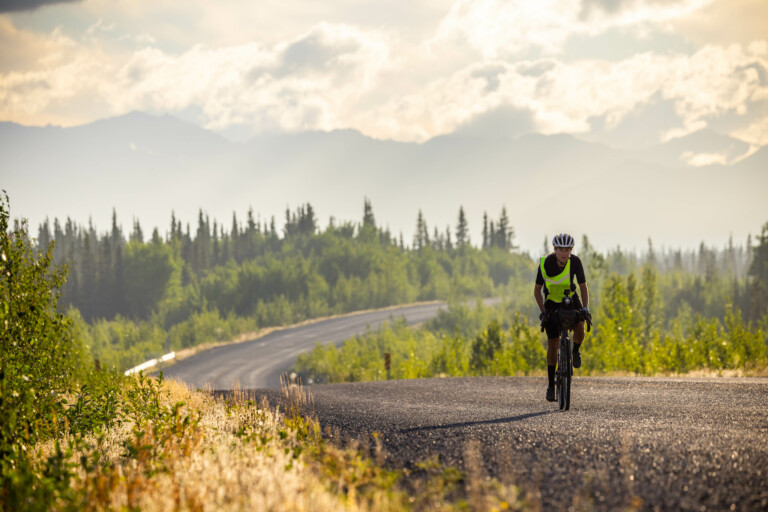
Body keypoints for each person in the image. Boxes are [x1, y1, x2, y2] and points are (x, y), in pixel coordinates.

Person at [534, 233, 591, 402]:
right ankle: (551, 386)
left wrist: (585, 308)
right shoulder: (546, 264)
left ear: (571, 250)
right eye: (560, 249)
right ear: (555, 249)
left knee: (580, 325)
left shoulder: (575, 262)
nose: (564, 253)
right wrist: (544, 311)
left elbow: (583, 287)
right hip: (551, 303)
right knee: (553, 343)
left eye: (567, 250)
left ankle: (575, 351)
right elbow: (537, 291)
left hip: (570, 300)